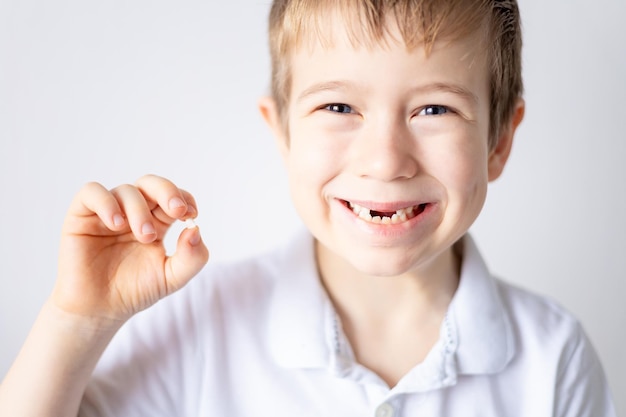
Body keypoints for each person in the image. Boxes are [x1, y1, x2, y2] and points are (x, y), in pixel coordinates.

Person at [0, 0, 617, 416]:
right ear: (283, 134)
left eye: (434, 109)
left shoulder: (553, 358)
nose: (385, 160)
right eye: (338, 108)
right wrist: (78, 319)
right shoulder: (199, 327)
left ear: (499, 142)